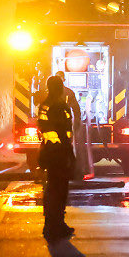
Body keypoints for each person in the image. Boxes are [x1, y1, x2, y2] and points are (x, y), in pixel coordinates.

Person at [37, 75, 75, 241]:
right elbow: (63, 132)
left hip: (48, 151)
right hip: (59, 153)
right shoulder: (59, 106)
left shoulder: (44, 105)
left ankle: (52, 224)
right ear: (59, 88)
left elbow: (45, 128)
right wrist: (69, 153)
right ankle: (56, 225)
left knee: (51, 189)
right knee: (59, 191)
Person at [54, 70, 88, 180]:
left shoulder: (52, 92)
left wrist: (77, 121)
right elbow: (76, 109)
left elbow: (76, 109)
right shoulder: (68, 92)